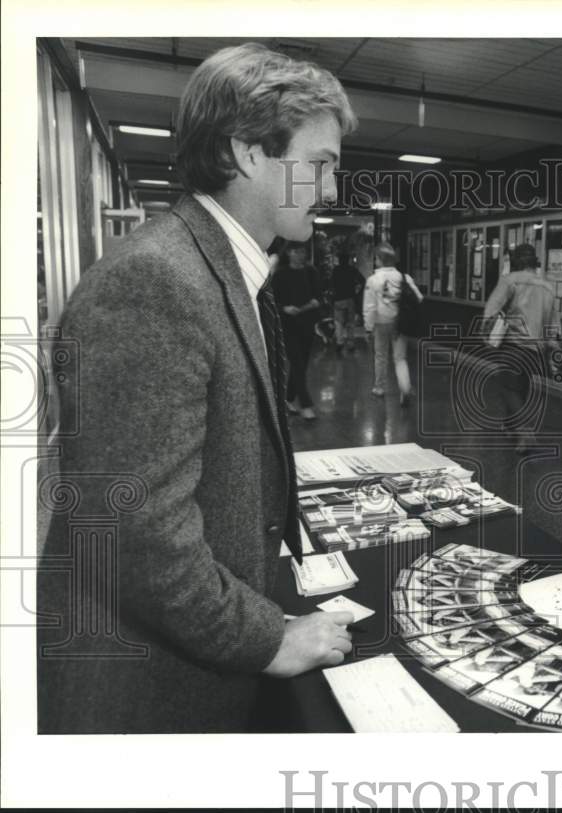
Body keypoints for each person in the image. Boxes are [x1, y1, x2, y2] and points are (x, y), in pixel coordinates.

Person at [36, 43, 358, 734]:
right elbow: (139, 535)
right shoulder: (155, 281)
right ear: (247, 153)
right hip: (150, 695)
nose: (332, 191)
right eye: (321, 164)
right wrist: (267, 637)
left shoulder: (222, 270)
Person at [482, 243, 562, 453]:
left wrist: (487, 332)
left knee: (508, 387)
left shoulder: (510, 280)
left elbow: (491, 310)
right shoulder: (548, 287)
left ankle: (525, 432)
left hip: (513, 343)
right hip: (536, 347)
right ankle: (509, 427)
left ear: (516, 261)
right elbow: (553, 323)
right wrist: (552, 348)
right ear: (535, 262)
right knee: (521, 387)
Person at [363, 241, 423, 406]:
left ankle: (379, 388)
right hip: (399, 323)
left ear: (380, 259)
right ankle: (405, 389)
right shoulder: (405, 277)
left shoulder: (373, 280)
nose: (375, 261)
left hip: (381, 323)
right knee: (400, 358)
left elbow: (369, 307)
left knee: (380, 356)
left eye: (376, 258)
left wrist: (368, 328)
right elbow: (419, 297)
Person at [272, 242, 323, 419]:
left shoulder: (311, 272)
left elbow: (318, 295)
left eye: (302, 251)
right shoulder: (280, 275)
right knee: (298, 363)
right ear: (288, 253)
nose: (299, 254)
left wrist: (314, 303)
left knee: (301, 364)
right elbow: (271, 301)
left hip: (307, 324)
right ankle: (306, 405)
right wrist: (285, 308)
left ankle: (289, 398)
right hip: (288, 325)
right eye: (295, 251)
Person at [328, 250, 365, 353]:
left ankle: (340, 342)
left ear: (339, 260)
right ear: (348, 260)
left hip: (338, 299)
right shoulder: (352, 269)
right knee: (350, 322)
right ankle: (351, 343)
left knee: (338, 322)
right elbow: (363, 280)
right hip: (350, 298)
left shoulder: (335, 270)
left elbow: (330, 285)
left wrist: (332, 295)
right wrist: (358, 291)